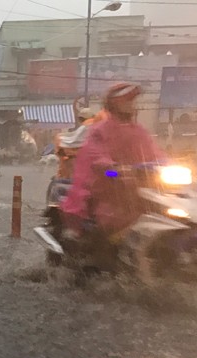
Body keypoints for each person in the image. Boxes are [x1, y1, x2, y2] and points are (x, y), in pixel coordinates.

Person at [61, 82, 164, 240]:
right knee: (108, 220)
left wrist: (167, 164)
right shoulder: (99, 130)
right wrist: (114, 168)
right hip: (108, 179)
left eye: (133, 101)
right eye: (128, 101)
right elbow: (95, 155)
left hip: (136, 183)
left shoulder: (138, 131)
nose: (133, 105)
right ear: (116, 104)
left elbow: (155, 152)